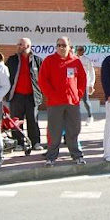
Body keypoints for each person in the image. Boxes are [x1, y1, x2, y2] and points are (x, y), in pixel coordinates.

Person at [39, 37, 87, 167]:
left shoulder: (75, 61)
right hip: (55, 103)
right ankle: (51, 158)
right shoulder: (49, 60)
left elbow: (82, 79)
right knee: (54, 132)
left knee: (74, 130)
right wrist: (51, 95)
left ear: (69, 46)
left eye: (64, 45)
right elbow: (42, 80)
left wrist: (78, 94)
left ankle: (77, 156)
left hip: (72, 103)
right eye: (59, 45)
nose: (61, 47)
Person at [6, 38, 44, 151]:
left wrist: (41, 92)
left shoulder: (37, 60)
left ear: (27, 46)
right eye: (18, 44)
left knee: (33, 120)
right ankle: (18, 143)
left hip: (32, 96)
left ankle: (35, 142)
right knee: (16, 121)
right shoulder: (12, 60)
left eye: (20, 44)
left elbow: (43, 78)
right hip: (16, 96)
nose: (18, 46)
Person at [75, 45, 96, 126]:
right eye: (78, 50)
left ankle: (90, 117)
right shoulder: (74, 59)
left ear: (83, 51)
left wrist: (91, 84)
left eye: (81, 50)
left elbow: (92, 73)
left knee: (86, 101)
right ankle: (75, 119)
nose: (79, 51)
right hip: (74, 84)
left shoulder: (87, 60)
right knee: (74, 102)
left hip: (84, 84)